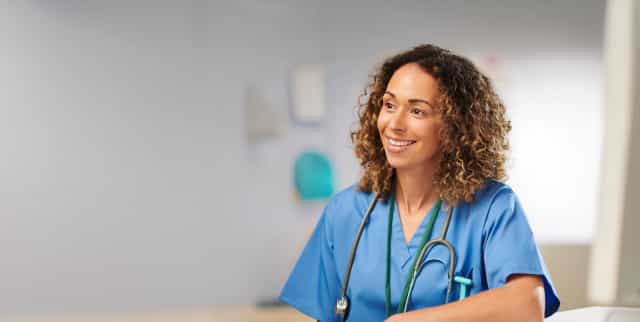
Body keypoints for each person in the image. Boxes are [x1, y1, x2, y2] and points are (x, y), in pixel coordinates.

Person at [279, 44, 560, 322]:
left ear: (454, 126)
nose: (395, 123)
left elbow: (526, 305)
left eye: (417, 111)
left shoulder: (493, 207)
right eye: (389, 105)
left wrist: (412, 321)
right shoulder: (345, 212)